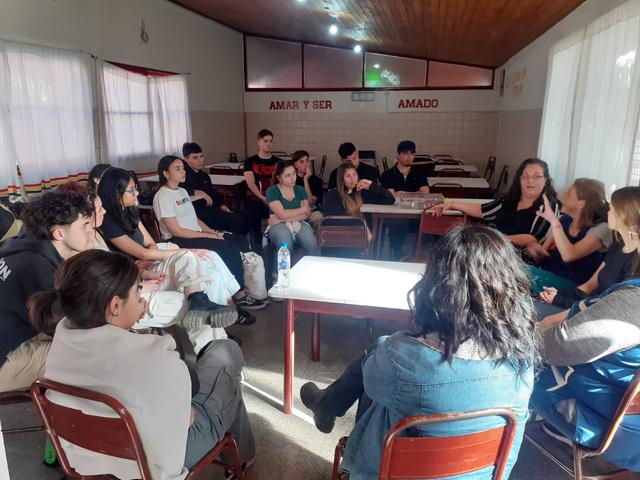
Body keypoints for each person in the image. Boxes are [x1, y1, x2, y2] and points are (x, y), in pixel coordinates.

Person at [300, 225, 538, 480]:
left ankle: (327, 406)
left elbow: (371, 383)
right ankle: (326, 405)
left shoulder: (401, 358)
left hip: (396, 473)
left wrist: (391, 345)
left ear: (437, 287)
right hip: (481, 475)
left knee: (381, 374)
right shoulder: (523, 365)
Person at [30, 250, 255, 479]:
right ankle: (240, 459)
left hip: (84, 459)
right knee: (225, 355)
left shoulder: (61, 341)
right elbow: (187, 416)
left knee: (222, 379)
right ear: (115, 305)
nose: (143, 303)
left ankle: (241, 456)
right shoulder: (153, 355)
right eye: (138, 294)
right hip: (152, 465)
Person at [531, 188, 640, 472]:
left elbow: (560, 345)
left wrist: (523, 335)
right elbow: (593, 300)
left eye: (614, 208)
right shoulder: (621, 255)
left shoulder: (632, 301)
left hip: (605, 419)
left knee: (517, 363)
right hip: (620, 403)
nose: (608, 211)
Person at [97, 168, 240, 327]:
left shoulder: (130, 211)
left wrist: (151, 253)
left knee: (210, 257)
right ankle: (219, 309)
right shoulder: (108, 222)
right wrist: (184, 251)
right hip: (138, 272)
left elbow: (150, 243)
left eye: (135, 188)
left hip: (150, 261)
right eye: (131, 190)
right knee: (194, 260)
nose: (136, 193)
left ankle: (219, 306)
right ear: (116, 194)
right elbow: (143, 253)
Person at [0, 190, 94, 392]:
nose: (91, 231)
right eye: (84, 225)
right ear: (58, 233)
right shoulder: (38, 269)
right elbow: (69, 325)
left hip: (10, 331)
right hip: (3, 360)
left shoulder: (19, 243)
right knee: (88, 354)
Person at [154, 155, 266, 312]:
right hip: (178, 239)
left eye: (183, 168)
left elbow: (194, 218)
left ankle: (251, 286)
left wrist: (210, 230)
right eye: (177, 169)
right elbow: (176, 230)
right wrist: (207, 236)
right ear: (166, 173)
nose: (183, 172)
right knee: (229, 247)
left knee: (240, 240)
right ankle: (239, 295)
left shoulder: (182, 191)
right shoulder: (163, 196)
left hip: (195, 233)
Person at [539, 186, 640, 313]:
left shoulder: (636, 261)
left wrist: (559, 301)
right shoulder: (617, 246)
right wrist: (559, 294)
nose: (608, 212)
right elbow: (589, 286)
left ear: (625, 215)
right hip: (583, 306)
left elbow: (607, 306)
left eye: (612, 209)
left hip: (595, 314)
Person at [432, 158, 561, 252]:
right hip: (492, 248)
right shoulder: (510, 200)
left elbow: (533, 239)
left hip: (515, 258)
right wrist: (451, 204)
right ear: (520, 179)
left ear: (545, 180)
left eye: (537, 176)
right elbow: (483, 210)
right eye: (525, 176)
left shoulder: (549, 206)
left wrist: (493, 239)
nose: (530, 181)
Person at [526, 178, 611, 293]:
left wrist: (554, 222)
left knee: (514, 272)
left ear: (581, 203)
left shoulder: (602, 228)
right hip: (547, 274)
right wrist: (536, 251)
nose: (563, 195)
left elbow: (569, 255)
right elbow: (543, 252)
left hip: (572, 285)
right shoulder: (564, 219)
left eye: (569, 193)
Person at [180, 142, 249, 236]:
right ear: (186, 159)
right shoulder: (182, 175)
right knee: (237, 219)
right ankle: (232, 240)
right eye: (195, 157)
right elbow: (178, 193)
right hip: (197, 213)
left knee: (245, 215)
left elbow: (212, 193)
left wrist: (221, 205)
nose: (200, 160)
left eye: (201, 156)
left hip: (212, 208)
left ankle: (242, 241)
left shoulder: (204, 175)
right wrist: (198, 192)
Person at [380, 140, 430, 259]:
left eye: (412, 153)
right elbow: (391, 196)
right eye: (405, 153)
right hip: (395, 214)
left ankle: (419, 255)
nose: (409, 157)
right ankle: (397, 253)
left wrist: (402, 193)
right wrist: (416, 194)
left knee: (430, 221)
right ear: (398, 155)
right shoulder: (387, 175)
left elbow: (426, 194)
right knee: (398, 223)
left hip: (417, 213)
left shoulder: (419, 174)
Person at [265, 160, 318, 265]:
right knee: (285, 244)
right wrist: (301, 209)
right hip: (277, 226)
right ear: (279, 178)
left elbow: (306, 214)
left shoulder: (300, 190)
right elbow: (282, 214)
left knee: (312, 244)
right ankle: (279, 272)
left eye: (294, 173)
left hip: (295, 222)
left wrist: (281, 219)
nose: (293, 178)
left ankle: (309, 269)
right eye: (287, 175)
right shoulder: (272, 191)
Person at [243, 129, 283, 249]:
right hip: (257, 196)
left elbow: (282, 182)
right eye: (265, 141)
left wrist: (271, 198)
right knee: (253, 205)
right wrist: (263, 198)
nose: (268, 144)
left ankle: (276, 235)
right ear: (259, 142)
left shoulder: (278, 162)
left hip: (274, 196)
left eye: (270, 141)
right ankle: (257, 236)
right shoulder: (250, 161)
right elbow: (251, 184)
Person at [291, 149, 323, 224]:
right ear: (295, 165)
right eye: (301, 162)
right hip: (294, 211)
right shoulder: (291, 180)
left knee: (318, 216)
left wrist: (305, 180)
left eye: (307, 161)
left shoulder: (317, 180)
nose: (306, 164)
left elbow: (311, 201)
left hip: (310, 211)